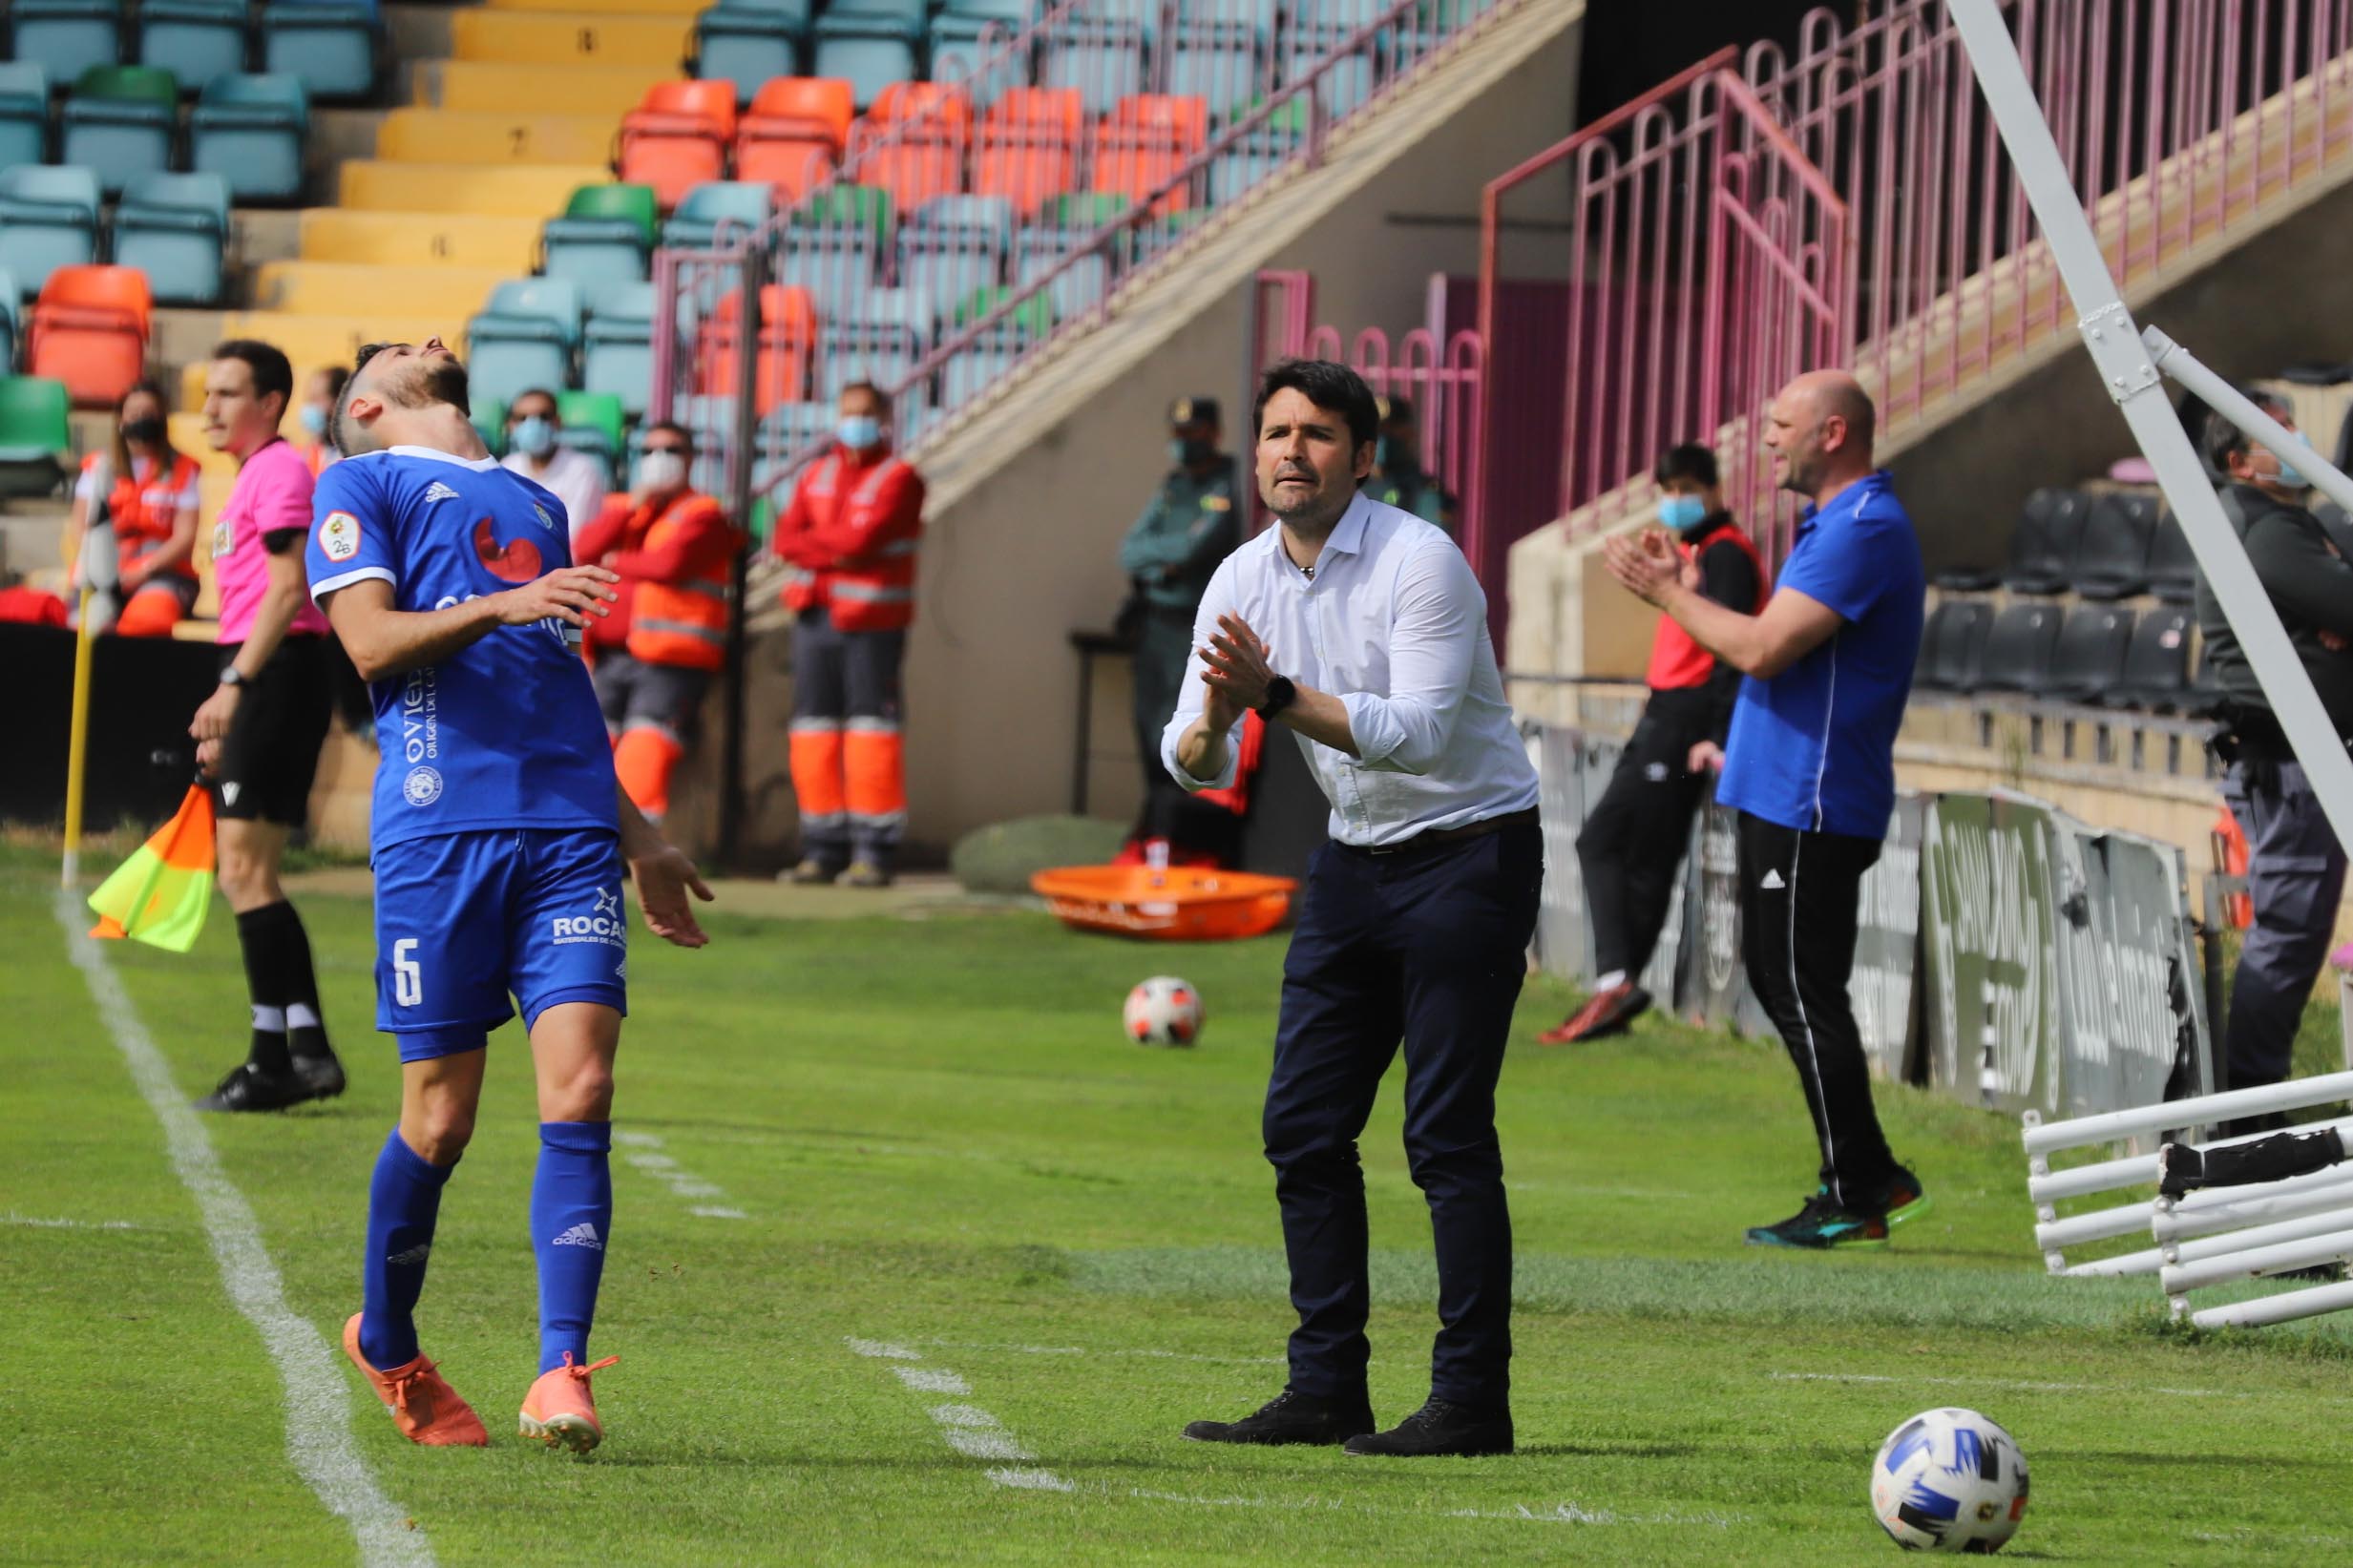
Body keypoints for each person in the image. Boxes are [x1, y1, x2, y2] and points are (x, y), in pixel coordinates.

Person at [311, 336, 714, 1453]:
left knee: (581, 1087)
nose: (428, 337)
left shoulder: (536, 501)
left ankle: (560, 1369)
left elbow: (559, 681)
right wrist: (508, 601)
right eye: (398, 346)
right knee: (439, 1116)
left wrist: (641, 836)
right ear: (370, 401)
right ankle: (387, 1340)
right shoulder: (360, 482)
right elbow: (370, 642)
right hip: (442, 828)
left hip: (569, 837)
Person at [1169, 360, 1543, 1458]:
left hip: (1470, 850)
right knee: (1300, 1125)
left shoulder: (1422, 559)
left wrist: (1270, 698)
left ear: (1364, 457)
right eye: (1275, 431)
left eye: (1319, 434)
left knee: (1443, 1135)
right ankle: (1326, 1383)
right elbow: (1193, 747)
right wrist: (1206, 737)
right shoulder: (1239, 575)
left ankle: (1471, 1400)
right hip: (1351, 856)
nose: (1292, 450)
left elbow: (1421, 734)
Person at [1603, 369, 1928, 1250]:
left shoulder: (1861, 527)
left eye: (1781, 425)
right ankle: (1862, 1172)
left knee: (1798, 985)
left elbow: (1760, 648)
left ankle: (1859, 1184)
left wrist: (1667, 593)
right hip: (1788, 794)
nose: (1767, 440)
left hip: (1811, 800)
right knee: (1786, 979)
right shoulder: (1838, 524)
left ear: (1832, 433)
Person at [1542, 443, 1763, 1043]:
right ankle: (1617, 988)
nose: (1674, 502)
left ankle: (1616, 980)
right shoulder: (1696, 552)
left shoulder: (1728, 555)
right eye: (1666, 490)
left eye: (1685, 488)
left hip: (1687, 718)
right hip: (1667, 710)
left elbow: (1733, 648)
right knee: (1644, 856)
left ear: (1714, 489)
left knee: (1605, 839)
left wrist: (1716, 731)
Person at [187, 339, 347, 1114]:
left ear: (270, 402)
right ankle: (304, 1048)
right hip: (268, 674)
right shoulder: (256, 475)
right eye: (207, 393)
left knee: (243, 873)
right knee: (252, 874)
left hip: (277, 671)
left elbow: (287, 591)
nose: (208, 409)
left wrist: (235, 685)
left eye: (226, 394)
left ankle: (273, 1058)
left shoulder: (279, 470)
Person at [2195, 393, 2353, 1121]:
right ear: (2240, 461)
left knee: (2289, 931)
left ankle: (2252, 1102)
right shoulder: (2265, 528)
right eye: (2276, 431)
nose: (2295, 438)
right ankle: (2251, 1112)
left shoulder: (2282, 522)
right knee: (2286, 935)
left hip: (2289, 763)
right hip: (2290, 766)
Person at [771, 380, 925, 888]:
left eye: (864, 412)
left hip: (872, 627)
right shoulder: (818, 472)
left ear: (884, 419)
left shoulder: (900, 478)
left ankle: (873, 853)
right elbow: (784, 539)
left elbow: (862, 541)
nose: (854, 421)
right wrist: (832, 549)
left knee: (871, 735)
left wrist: (821, 547)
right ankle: (821, 848)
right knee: (812, 731)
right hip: (815, 621)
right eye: (847, 411)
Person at [571, 422, 739, 824]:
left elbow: (670, 564)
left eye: (671, 451)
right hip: (611, 655)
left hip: (671, 658)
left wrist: (614, 562)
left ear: (691, 458)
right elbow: (585, 548)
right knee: (590, 745)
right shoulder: (624, 507)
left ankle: (634, 846)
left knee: (646, 747)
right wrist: (632, 507)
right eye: (648, 452)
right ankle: (584, 837)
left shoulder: (705, 513)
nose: (658, 460)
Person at [1117, 395, 1242, 861]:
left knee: (1182, 733)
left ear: (1214, 433)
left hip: (1192, 627)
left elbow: (1196, 550)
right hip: (1154, 625)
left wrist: (1169, 558)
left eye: (1195, 434)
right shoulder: (1173, 487)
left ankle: (1183, 840)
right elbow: (1130, 549)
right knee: (1147, 730)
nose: (1185, 444)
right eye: (1179, 435)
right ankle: (1154, 835)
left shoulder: (1226, 485)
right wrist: (1161, 564)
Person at [72, 379, 201, 637]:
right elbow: (80, 527)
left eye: (149, 414)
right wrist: (106, 572)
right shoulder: (98, 467)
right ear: (121, 420)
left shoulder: (184, 469)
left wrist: (143, 571)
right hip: (103, 571)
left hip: (163, 573)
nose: (141, 419)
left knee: (146, 621)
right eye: (134, 414)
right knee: (83, 625)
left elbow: (184, 537)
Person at [501, 387, 610, 540]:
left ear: (557, 422)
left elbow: (573, 535)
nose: (533, 425)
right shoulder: (507, 467)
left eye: (543, 416)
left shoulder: (581, 470)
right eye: (523, 418)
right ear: (511, 426)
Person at [1362, 395, 1458, 537]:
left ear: (1410, 434)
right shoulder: (1352, 488)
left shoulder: (1425, 492)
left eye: (1392, 432)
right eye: (1378, 433)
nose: (1383, 440)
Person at [299, 366, 348, 475]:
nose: (309, 407)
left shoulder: (349, 458)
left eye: (316, 399)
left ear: (337, 402)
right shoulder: (306, 454)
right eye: (309, 399)